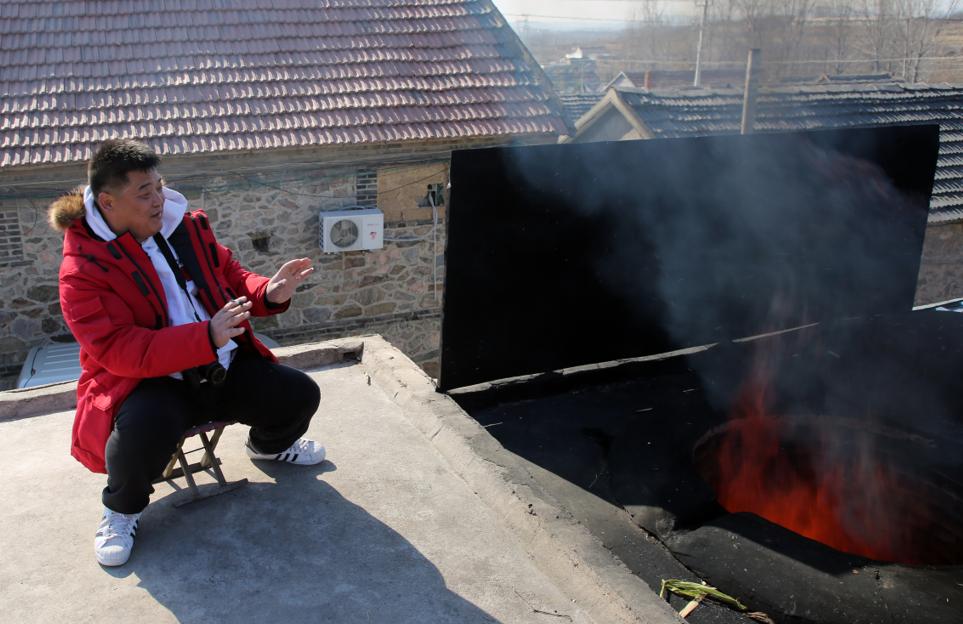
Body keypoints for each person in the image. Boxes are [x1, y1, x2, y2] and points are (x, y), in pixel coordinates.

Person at [48, 138, 325, 567]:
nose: (159, 200)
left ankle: (268, 446)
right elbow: (117, 349)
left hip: (220, 365)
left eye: (160, 186)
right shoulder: (83, 270)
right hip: (153, 381)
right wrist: (203, 337)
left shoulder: (186, 225)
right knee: (136, 438)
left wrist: (266, 291)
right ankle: (121, 512)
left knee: (300, 394)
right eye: (144, 193)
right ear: (107, 201)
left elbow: (229, 274)